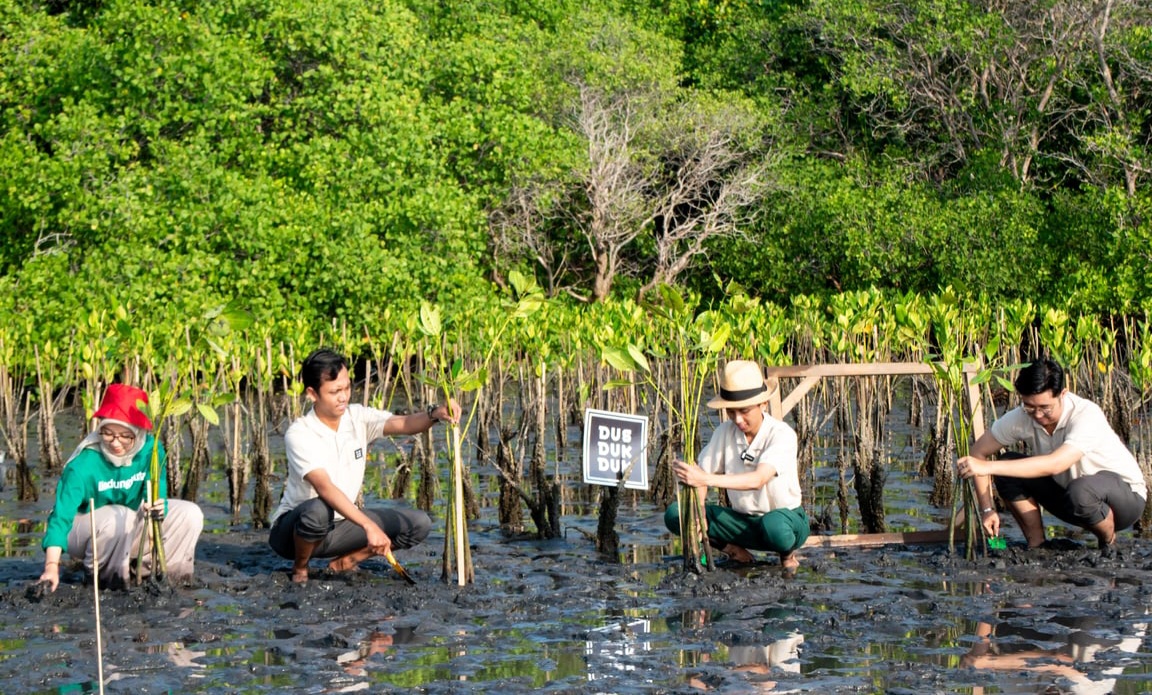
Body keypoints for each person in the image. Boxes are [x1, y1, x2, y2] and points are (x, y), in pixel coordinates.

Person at [268, 348, 460, 583]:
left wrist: (436, 413)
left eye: (347, 388)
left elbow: (405, 423)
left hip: (341, 526)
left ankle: (346, 561)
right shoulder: (300, 433)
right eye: (335, 391)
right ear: (312, 394)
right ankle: (300, 569)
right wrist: (368, 525)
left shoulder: (357, 417)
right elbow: (324, 488)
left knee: (419, 523)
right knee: (318, 510)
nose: (343, 397)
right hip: (294, 533)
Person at [956, 358, 1147, 554]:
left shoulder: (1085, 414)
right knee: (1007, 467)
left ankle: (1108, 543)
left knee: (1080, 491)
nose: (1038, 415)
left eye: (1045, 408)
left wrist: (987, 467)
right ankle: (1037, 545)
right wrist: (987, 509)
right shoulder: (1023, 415)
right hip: (1072, 499)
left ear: (1063, 394)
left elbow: (1056, 464)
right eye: (1030, 407)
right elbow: (978, 453)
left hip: (1125, 500)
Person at [38, 383, 204, 591]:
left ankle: (165, 579)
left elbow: (156, 492)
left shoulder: (152, 451)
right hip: (82, 529)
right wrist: (51, 567)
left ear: (139, 433)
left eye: (125, 436)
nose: (115, 443)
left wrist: (159, 506)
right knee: (120, 516)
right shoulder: (83, 465)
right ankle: (108, 583)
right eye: (107, 433)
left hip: (128, 524)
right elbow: (60, 518)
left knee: (189, 513)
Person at [663, 360, 810, 570]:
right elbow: (700, 474)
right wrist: (700, 509)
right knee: (676, 513)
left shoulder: (781, 434)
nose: (738, 420)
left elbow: (758, 479)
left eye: (744, 411)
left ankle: (787, 555)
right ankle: (734, 550)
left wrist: (705, 479)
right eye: (731, 412)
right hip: (742, 523)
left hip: (785, 522)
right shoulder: (724, 432)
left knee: (774, 525)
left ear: (763, 404)